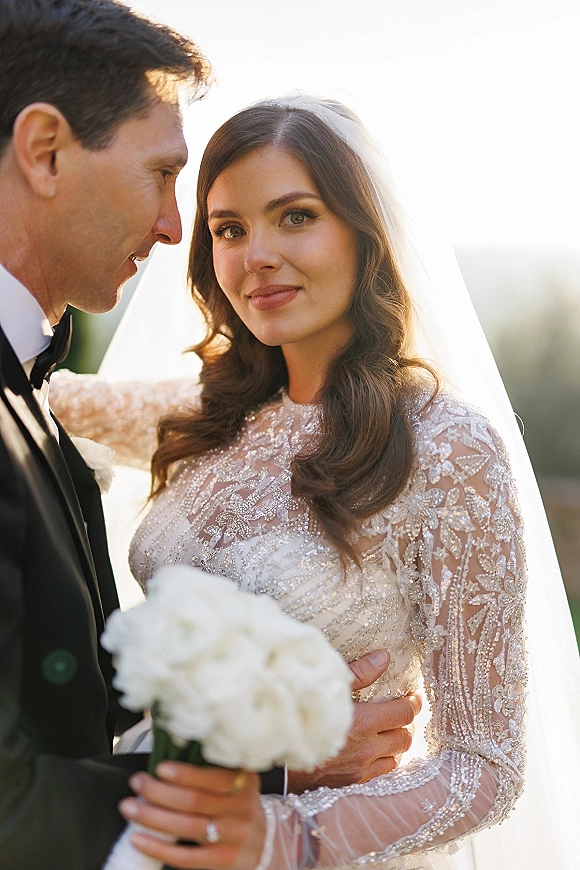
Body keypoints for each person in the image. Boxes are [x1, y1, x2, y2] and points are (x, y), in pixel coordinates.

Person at [52, 94, 580, 870]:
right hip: (150, 821)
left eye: (295, 216)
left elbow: (484, 768)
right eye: (229, 228)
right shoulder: (208, 414)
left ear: (366, 236)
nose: (255, 254)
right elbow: (36, 400)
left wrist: (284, 836)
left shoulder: (446, 448)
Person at [0, 5, 421, 868]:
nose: (171, 227)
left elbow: (60, 678)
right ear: (43, 151)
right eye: (163, 176)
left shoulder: (443, 447)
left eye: (296, 217)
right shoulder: (188, 420)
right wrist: (262, 775)